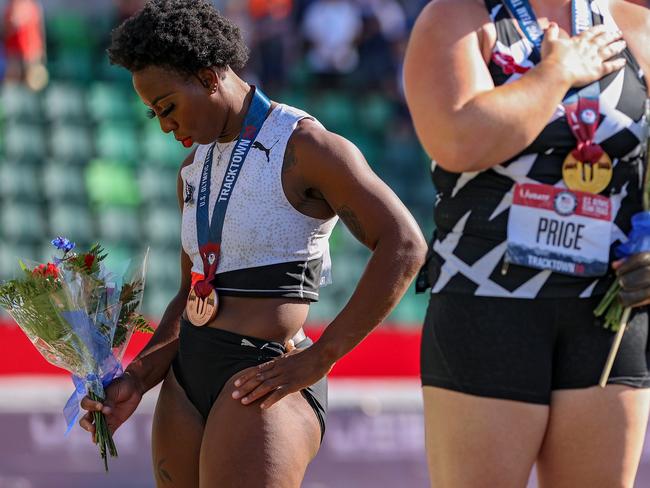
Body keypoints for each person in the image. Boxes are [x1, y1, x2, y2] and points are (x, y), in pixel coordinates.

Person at [79, 1, 427, 486]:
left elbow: (405, 245)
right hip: (187, 379)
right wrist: (138, 377)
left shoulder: (306, 146)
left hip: (265, 373)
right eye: (153, 113)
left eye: (167, 107)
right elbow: (191, 294)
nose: (163, 125)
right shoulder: (191, 171)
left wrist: (319, 358)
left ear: (207, 77)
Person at [404, 0, 650, 487]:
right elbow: (456, 141)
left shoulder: (633, 22)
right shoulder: (455, 17)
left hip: (609, 312)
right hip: (488, 304)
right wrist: (555, 74)